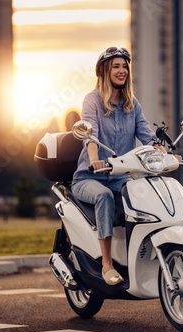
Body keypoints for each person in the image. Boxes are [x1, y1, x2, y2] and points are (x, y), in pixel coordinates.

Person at [71, 47, 170, 285]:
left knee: (141, 194)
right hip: (89, 178)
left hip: (119, 176)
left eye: (125, 66)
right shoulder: (92, 100)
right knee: (104, 196)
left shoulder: (131, 104)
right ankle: (107, 265)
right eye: (116, 66)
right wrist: (94, 159)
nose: (122, 70)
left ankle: (138, 257)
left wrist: (164, 154)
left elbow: (147, 135)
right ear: (105, 71)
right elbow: (89, 134)